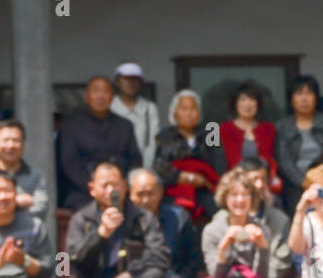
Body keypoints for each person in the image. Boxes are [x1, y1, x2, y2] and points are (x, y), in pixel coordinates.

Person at [64, 162, 170, 278]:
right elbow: (73, 261)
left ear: (125, 186)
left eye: (116, 184)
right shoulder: (81, 219)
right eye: (105, 186)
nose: (111, 190)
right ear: (92, 189)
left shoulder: (143, 218)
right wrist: (101, 234)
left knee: (156, 275)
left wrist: (129, 275)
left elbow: (161, 255)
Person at [199, 169, 284, 278]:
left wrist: (262, 247)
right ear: (225, 198)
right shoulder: (212, 231)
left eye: (245, 194)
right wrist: (223, 248)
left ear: (252, 198)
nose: (240, 200)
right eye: (234, 195)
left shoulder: (262, 229)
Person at [128, 167, 203, 278]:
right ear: (129, 194)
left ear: (161, 193)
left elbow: (193, 260)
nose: (145, 200)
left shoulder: (178, 218)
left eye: (151, 194)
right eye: (140, 195)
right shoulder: (121, 221)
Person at [58, 76, 141, 209]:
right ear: (86, 96)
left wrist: (121, 185)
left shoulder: (125, 126)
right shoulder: (72, 126)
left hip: (119, 190)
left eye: (105, 92)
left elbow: (135, 160)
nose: (100, 96)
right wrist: (97, 188)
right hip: (84, 191)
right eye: (96, 91)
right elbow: (69, 163)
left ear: (112, 97)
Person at [153, 88, 226, 222]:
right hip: (176, 189)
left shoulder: (211, 132)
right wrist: (187, 177)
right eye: (184, 109)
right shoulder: (164, 135)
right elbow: (159, 165)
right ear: (174, 113)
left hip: (206, 189)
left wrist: (206, 180)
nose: (189, 114)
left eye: (193, 109)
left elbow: (219, 163)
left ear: (199, 113)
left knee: (220, 214)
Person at [274, 75, 323, 195]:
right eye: (299, 93)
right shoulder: (282, 126)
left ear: (316, 97)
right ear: (291, 99)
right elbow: (284, 160)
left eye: (309, 93)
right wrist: (303, 182)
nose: (304, 99)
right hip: (296, 185)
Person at [0, 119, 48, 220]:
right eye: (5, 140)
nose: (10, 145)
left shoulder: (35, 175)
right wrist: (17, 201)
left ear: (23, 144)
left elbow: (40, 210)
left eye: (16, 140)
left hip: (27, 233)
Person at [218, 83, 282, 199]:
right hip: (236, 183)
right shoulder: (224, 129)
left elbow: (267, 159)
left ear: (258, 104)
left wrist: (260, 182)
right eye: (243, 99)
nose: (247, 104)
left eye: (252, 99)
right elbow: (233, 161)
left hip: (264, 183)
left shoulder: (269, 128)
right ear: (235, 104)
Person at [110, 62, 160, 165]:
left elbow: (152, 143)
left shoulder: (149, 108)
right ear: (117, 82)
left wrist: (144, 170)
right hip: (115, 168)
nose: (130, 83)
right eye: (126, 79)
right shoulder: (110, 107)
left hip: (143, 170)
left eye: (135, 79)